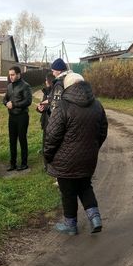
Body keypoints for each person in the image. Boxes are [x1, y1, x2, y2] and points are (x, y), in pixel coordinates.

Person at [44, 72, 108, 235]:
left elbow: (52, 135)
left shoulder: (62, 106)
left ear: (68, 86)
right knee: (85, 187)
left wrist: (48, 155)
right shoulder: (97, 105)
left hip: (65, 160)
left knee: (68, 191)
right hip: (88, 158)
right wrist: (93, 147)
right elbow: (103, 131)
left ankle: (70, 225)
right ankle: (95, 219)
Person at [3, 65, 32, 171]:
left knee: (22, 140)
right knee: (12, 140)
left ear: (18, 74)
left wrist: (14, 104)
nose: (10, 76)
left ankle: (24, 164)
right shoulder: (9, 86)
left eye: (13, 74)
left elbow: (28, 101)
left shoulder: (25, 86)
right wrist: (7, 103)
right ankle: (13, 164)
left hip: (22, 116)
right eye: (9, 75)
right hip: (12, 117)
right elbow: (4, 100)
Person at [36, 71, 54, 162]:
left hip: (51, 121)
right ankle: (45, 156)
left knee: (50, 141)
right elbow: (42, 104)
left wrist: (45, 107)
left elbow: (53, 105)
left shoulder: (54, 92)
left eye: (46, 80)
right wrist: (39, 108)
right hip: (45, 120)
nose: (45, 82)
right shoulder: (46, 91)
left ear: (50, 81)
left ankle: (49, 161)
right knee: (45, 140)